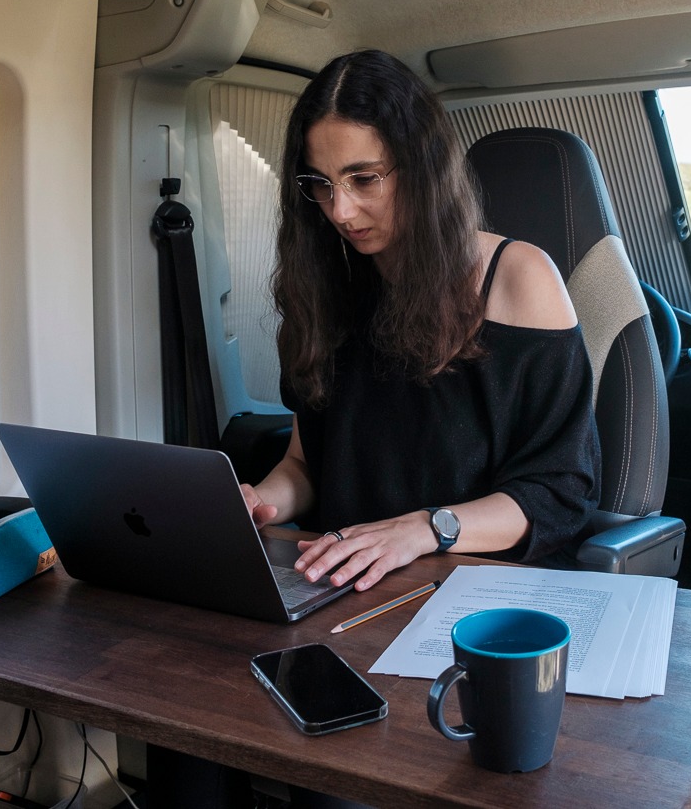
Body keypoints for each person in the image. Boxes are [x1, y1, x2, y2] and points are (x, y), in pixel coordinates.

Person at [240, 49, 601, 593]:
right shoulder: (321, 287)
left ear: (424, 169)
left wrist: (426, 529)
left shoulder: (518, 278)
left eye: (364, 179)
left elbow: (560, 493)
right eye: (320, 183)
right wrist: (260, 502)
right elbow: (307, 463)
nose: (339, 210)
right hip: (348, 581)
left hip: (483, 585)